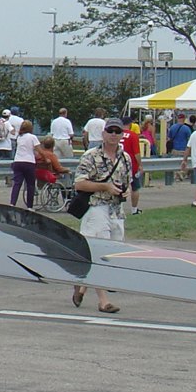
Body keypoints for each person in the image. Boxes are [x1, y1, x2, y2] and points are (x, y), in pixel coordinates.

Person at [71, 117, 133, 314]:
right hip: (96, 207)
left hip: (116, 211)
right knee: (100, 254)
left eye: (117, 131)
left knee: (113, 255)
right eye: (110, 131)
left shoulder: (125, 158)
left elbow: (128, 182)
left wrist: (126, 192)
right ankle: (103, 301)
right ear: (103, 133)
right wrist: (105, 186)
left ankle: (81, 286)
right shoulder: (91, 156)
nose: (114, 134)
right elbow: (79, 184)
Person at [10, 119, 40, 209]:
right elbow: (38, 149)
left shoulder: (19, 137)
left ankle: (12, 203)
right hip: (29, 162)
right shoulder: (32, 137)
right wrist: (44, 157)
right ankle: (29, 206)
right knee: (30, 184)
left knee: (17, 183)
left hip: (18, 161)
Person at [120, 117, 144, 216]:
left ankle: (119, 209)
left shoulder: (116, 134)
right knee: (135, 187)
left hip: (118, 164)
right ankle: (134, 209)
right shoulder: (132, 135)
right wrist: (140, 164)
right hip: (131, 165)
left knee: (119, 187)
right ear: (130, 124)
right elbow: (136, 153)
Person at [167, 113, 192, 181]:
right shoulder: (187, 128)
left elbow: (169, 138)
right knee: (183, 162)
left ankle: (177, 176)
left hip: (175, 149)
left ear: (178, 119)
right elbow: (190, 139)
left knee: (175, 163)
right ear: (184, 119)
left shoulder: (172, 127)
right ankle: (181, 173)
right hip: (184, 149)